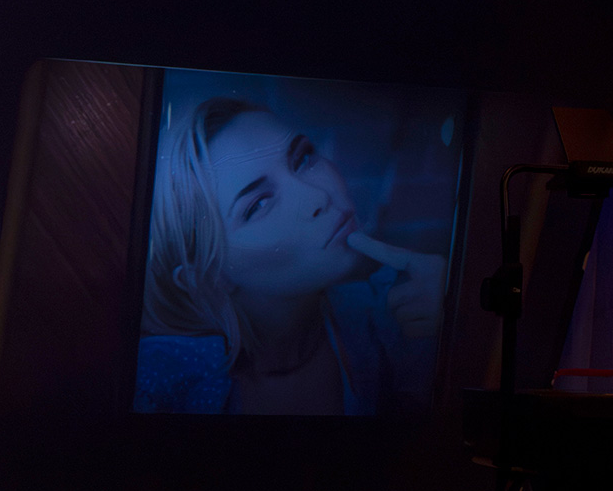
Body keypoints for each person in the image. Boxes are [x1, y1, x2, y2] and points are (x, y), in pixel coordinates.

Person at [134, 97, 446, 415]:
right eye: (257, 205)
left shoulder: (391, 316)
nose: (317, 195)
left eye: (303, 158)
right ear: (207, 279)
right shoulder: (161, 385)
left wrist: (452, 330)